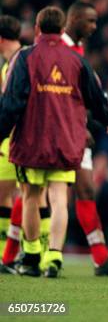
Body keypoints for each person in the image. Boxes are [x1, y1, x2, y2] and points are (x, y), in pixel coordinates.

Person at [0, 6, 108, 277]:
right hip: (66, 141)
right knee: (58, 198)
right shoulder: (77, 60)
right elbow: (96, 98)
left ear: (38, 29)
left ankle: (30, 256)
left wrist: (2, 132)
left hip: (32, 140)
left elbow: (12, 103)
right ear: (63, 29)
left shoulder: (25, 57)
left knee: (30, 196)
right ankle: (53, 257)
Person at [62, 2, 108, 276]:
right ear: (73, 19)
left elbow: (87, 97)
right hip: (57, 132)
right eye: (90, 21)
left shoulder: (78, 52)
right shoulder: (56, 50)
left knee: (85, 189)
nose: (94, 27)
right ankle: (17, 254)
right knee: (38, 194)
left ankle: (100, 258)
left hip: (77, 133)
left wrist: (106, 121)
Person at [0, 16, 51, 275]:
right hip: (27, 137)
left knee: (20, 195)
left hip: (16, 138)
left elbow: (12, 104)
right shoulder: (21, 59)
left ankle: (12, 256)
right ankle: (37, 255)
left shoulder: (20, 61)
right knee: (28, 195)